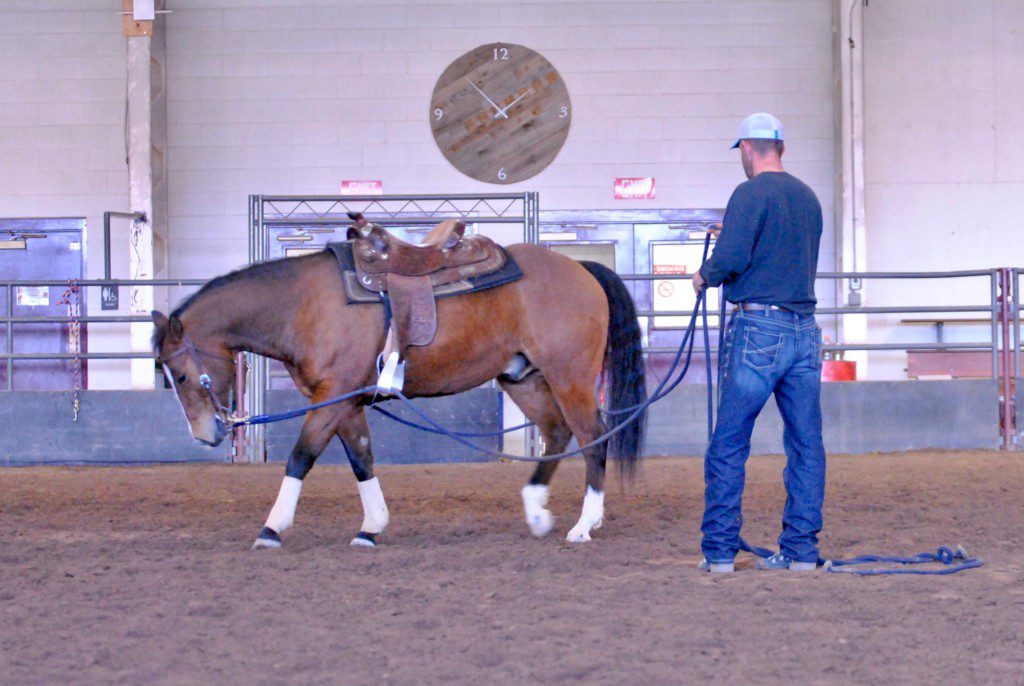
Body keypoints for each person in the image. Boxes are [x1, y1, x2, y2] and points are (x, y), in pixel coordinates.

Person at [691, 112, 826, 573]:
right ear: (781, 148)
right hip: (805, 332)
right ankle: (802, 551)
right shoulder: (808, 198)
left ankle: (720, 551)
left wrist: (704, 274)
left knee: (729, 442)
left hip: (758, 332)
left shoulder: (748, 193)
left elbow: (733, 257)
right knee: (806, 445)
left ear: (748, 148)